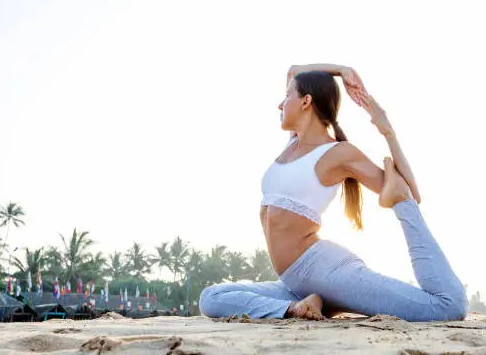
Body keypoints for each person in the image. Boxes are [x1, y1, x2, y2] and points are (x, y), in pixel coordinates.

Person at [199, 64, 468, 321]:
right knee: (211, 298)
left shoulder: (337, 153)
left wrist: (387, 131)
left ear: (306, 101)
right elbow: (294, 70)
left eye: (286, 96)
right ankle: (297, 308)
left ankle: (319, 300)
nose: (280, 104)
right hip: (296, 284)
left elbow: (413, 193)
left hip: (327, 271)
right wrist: (341, 70)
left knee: (447, 306)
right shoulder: (292, 144)